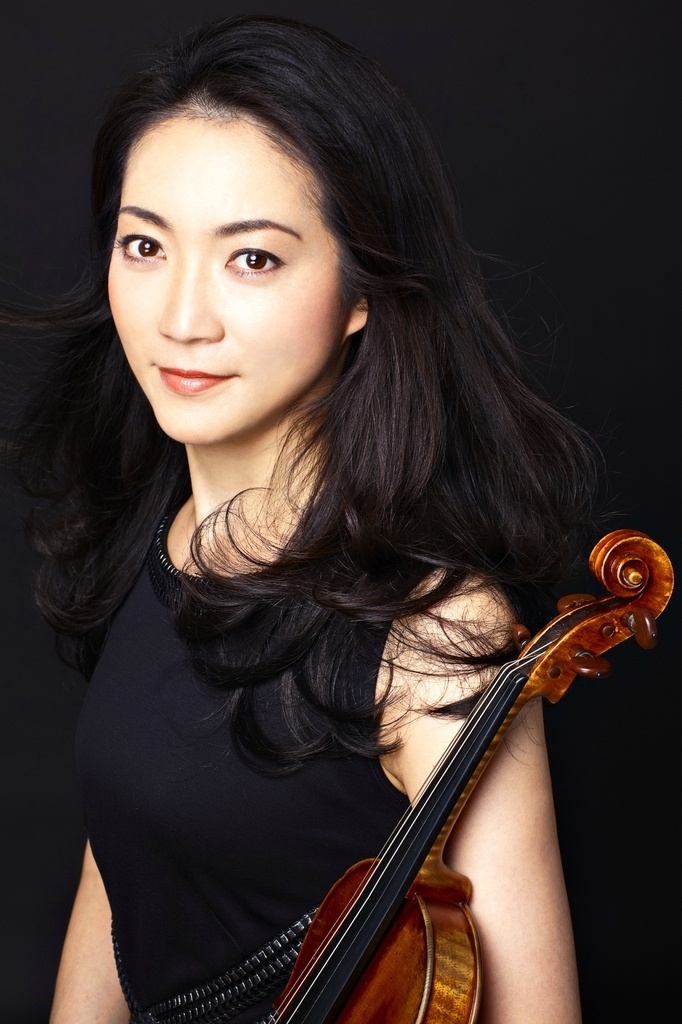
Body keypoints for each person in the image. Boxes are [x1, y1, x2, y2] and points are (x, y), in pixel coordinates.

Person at [1, 14, 601, 1024]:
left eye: (253, 259)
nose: (180, 318)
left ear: (362, 290)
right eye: (144, 245)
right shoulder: (162, 533)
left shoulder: (436, 634)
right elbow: (128, 862)